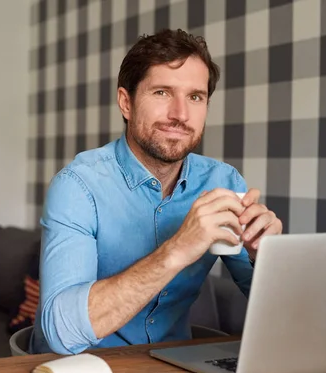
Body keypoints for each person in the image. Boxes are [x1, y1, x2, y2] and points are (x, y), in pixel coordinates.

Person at [28, 28, 283, 355]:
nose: (180, 114)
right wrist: (179, 248)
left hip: (171, 368)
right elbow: (60, 333)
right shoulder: (78, 186)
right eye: (162, 92)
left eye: (195, 97)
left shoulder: (224, 182)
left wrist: (265, 257)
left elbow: (284, 312)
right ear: (126, 103)